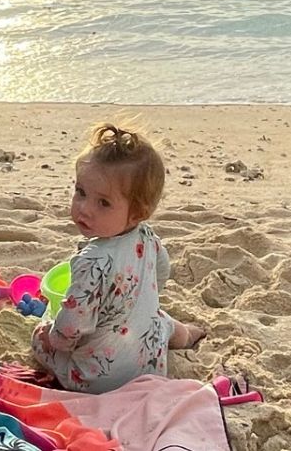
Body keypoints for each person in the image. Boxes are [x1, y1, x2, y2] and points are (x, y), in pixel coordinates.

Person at [31, 123, 206, 393]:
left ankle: (46, 342)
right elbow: (162, 271)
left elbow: (70, 328)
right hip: (149, 360)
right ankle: (188, 335)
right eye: (81, 192)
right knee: (161, 321)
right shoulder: (146, 237)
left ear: (136, 213)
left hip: (99, 378)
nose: (84, 209)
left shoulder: (92, 261)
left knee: (40, 338)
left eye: (103, 203)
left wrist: (52, 336)